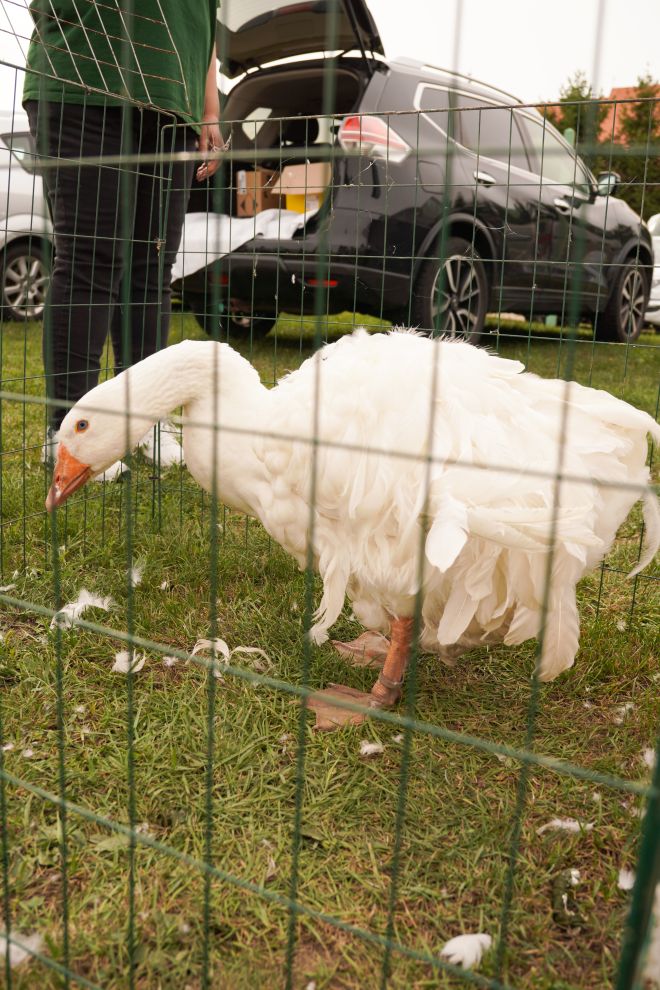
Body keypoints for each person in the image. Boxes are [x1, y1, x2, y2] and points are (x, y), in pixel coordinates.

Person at [22, 1, 222, 474]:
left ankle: (143, 420)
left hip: (174, 103)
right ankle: (68, 429)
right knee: (91, 261)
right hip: (85, 84)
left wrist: (209, 109)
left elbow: (204, 22)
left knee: (151, 271)